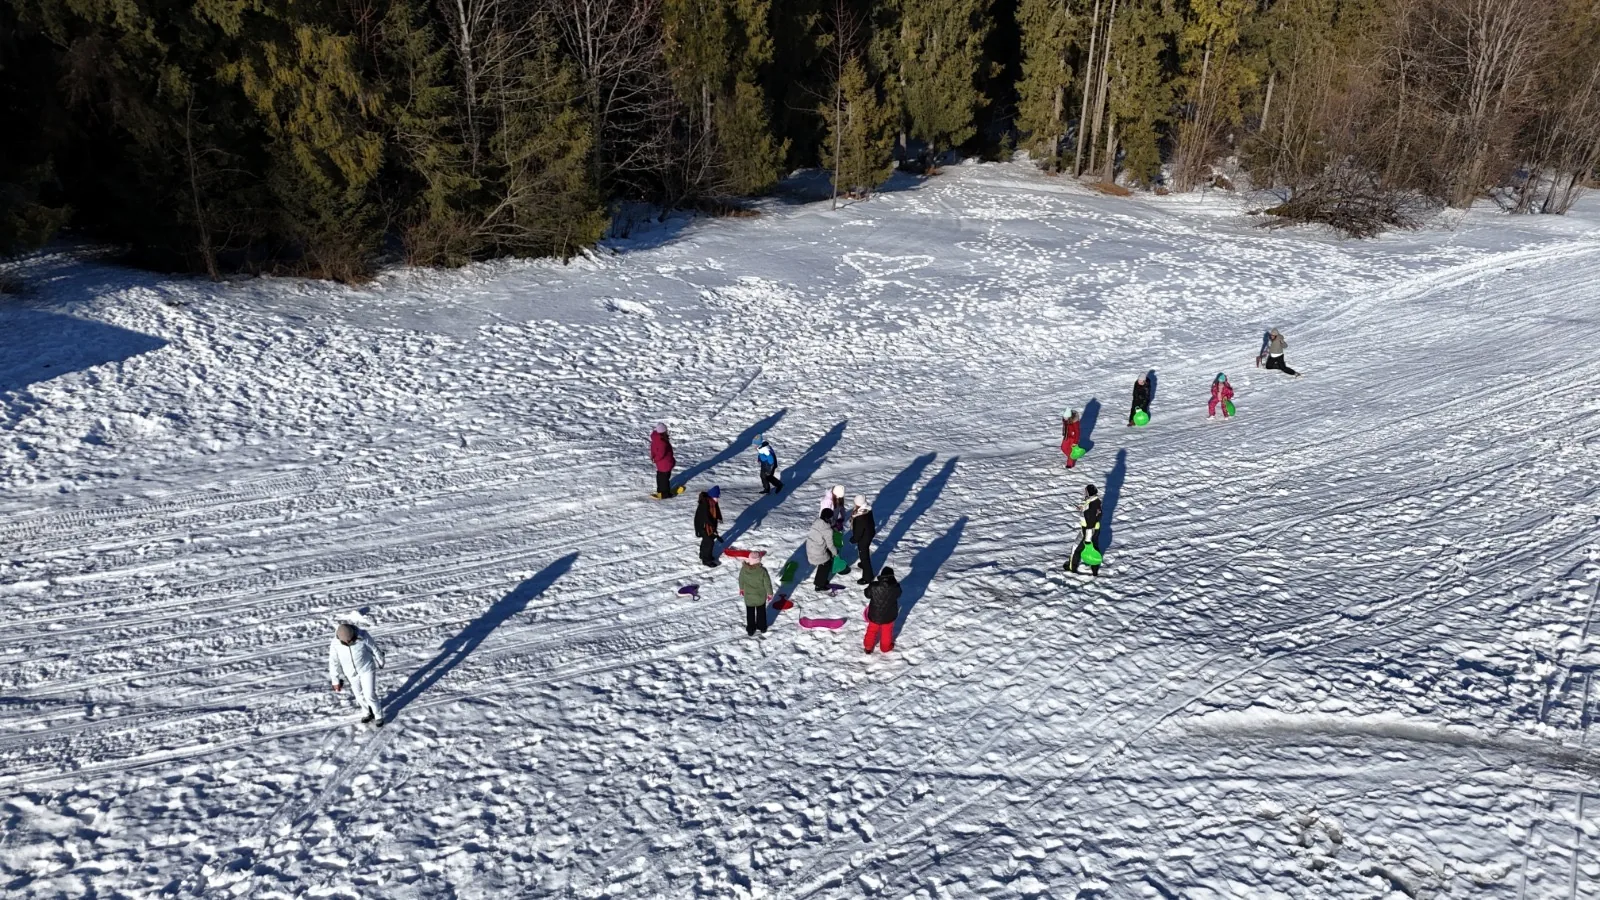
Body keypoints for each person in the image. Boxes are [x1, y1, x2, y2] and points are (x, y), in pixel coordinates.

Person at [328, 622, 387, 725]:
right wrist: (335, 680)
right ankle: (367, 712)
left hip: (366, 668)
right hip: (351, 673)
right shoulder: (335, 643)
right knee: (359, 696)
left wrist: (380, 660)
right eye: (347, 642)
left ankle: (378, 715)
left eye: (352, 640)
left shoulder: (363, 635)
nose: (351, 642)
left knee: (369, 694)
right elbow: (333, 662)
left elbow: (374, 648)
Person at [864, 568, 901, 654]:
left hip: (874, 614)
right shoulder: (895, 587)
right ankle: (885, 648)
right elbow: (899, 594)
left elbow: (867, 594)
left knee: (872, 630)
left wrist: (869, 588)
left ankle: (868, 647)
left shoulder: (874, 586)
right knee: (886, 632)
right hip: (889, 615)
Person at [1068, 485, 1102, 577]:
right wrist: (1082, 507)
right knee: (1094, 549)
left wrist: (1087, 540)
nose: (1084, 493)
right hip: (1096, 529)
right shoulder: (1096, 501)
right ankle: (1095, 570)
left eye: (1086, 491)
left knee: (1076, 549)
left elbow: (1090, 521)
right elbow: (1093, 512)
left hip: (1087, 531)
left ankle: (1072, 568)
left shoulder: (1091, 505)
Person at [738, 551, 772, 635]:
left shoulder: (744, 569)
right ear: (759, 560)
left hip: (749, 597)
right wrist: (769, 593)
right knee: (761, 613)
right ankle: (762, 627)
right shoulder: (762, 571)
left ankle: (751, 629)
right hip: (760, 596)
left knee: (750, 614)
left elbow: (741, 579)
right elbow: (767, 583)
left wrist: (741, 588)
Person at [805, 509, 837, 592]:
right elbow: (830, 545)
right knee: (826, 563)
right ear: (827, 518)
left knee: (824, 563)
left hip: (810, 548)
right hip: (817, 552)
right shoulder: (827, 530)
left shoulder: (816, 522)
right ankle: (820, 585)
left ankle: (819, 580)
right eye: (830, 517)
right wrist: (835, 553)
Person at [850, 495, 878, 584]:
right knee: (863, 552)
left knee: (864, 555)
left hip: (864, 538)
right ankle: (863, 564)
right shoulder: (867, 510)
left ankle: (868, 577)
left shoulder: (860, 517)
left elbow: (858, 533)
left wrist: (853, 539)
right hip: (869, 533)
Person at [694, 486, 722, 566]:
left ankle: (702, 555)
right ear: (712, 496)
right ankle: (706, 560)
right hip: (705, 528)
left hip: (706, 527)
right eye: (716, 497)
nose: (717, 499)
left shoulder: (708, 502)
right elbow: (706, 518)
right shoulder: (706, 504)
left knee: (706, 542)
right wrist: (713, 529)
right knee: (709, 543)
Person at [650, 422, 677, 499]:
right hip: (665, 464)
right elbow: (661, 454)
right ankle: (665, 494)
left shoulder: (655, 439)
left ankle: (660, 491)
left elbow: (653, 449)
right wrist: (656, 459)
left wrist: (653, 457)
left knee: (660, 477)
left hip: (660, 464)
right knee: (664, 480)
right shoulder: (662, 442)